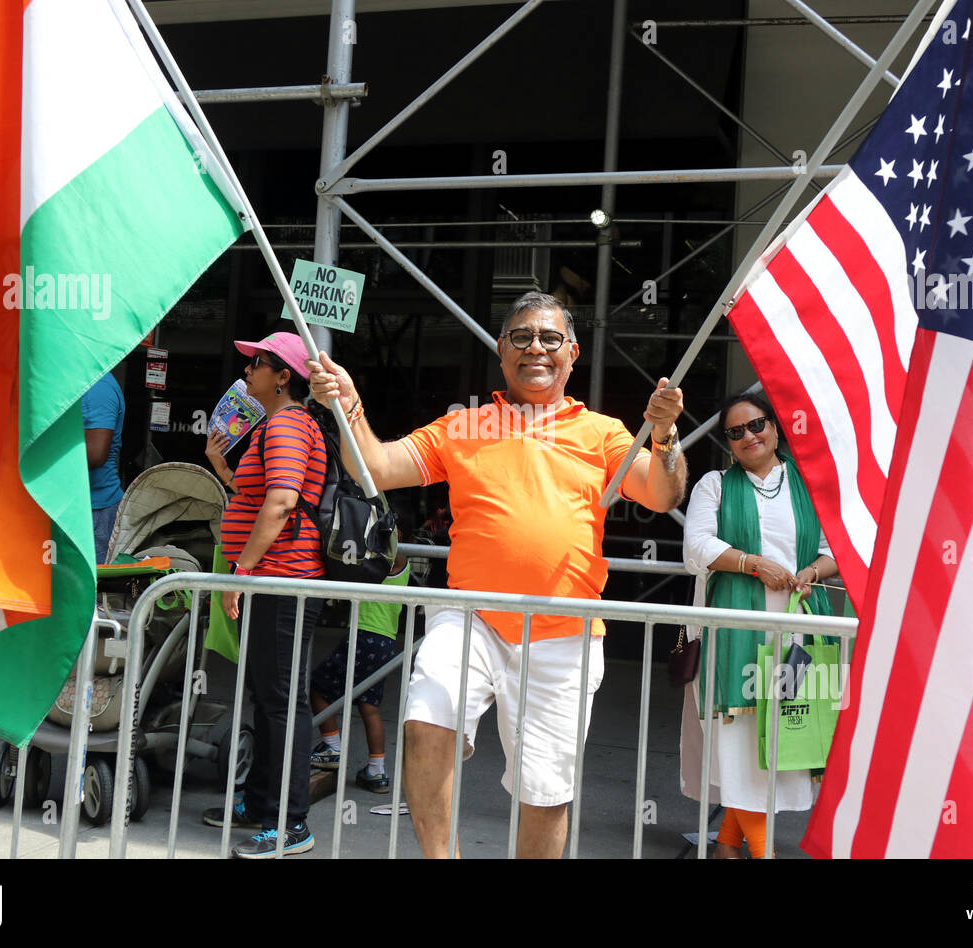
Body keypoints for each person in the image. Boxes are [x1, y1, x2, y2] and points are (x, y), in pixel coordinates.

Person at [309, 290, 687, 858]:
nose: (536, 347)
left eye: (550, 338)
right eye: (521, 336)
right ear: (500, 350)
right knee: (425, 717)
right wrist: (351, 407)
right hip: (471, 618)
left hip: (565, 630)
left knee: (546, 792)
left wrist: (664, 438)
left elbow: (662, 493)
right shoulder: (463, 425)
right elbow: (379, 469)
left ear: (573, 353)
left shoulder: (605, 432)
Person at [680, 392, 837, 858]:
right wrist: (753, 564)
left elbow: (835, 549)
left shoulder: (808, 485)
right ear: (728, 443)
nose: (749, 436)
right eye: (736, 431)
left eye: (757, 425)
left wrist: (810, 573)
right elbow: (697, 549)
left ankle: (728, 844)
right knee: (741, 740)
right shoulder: (715, 485)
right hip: (735, 633)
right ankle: (762, 851)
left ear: (775, 427)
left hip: (797, 632)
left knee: (786, 731)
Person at [202, 331, 328, 858]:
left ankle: (291, 823)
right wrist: (221, 465)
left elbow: (280, 503)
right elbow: (256, 497)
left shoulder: (287, 424)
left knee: (283, 704)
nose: (246, 371)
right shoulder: (278, 426)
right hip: (274, 580)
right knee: (268, 696)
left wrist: (242, 571)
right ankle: (258, 805)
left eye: (257, 363)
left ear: (283, 377)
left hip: (281, 583)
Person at [309, 511, 414, 794]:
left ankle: (332, 747)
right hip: (384, 642)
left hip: (365, 636)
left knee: (318, 688)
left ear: (399, 535)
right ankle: (376, 771)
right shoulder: (394, 563)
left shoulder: (393, 558)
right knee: (369, 707)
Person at [81, 371, 125, 564]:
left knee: (87, 591)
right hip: (81, 507)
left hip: (95, 512)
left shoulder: (97, 386)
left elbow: (95, 454)